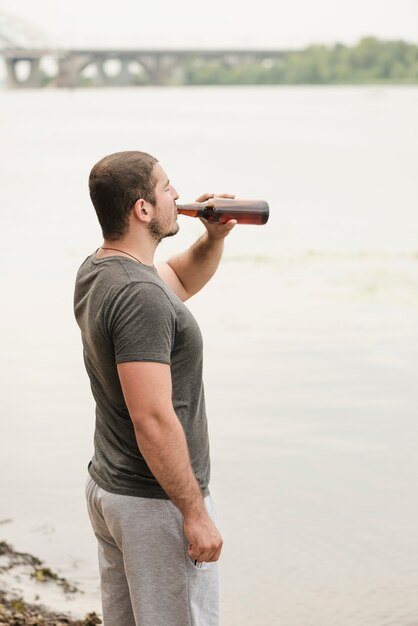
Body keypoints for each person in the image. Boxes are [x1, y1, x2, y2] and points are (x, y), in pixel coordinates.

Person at [74, 150, 237, 626]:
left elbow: (180, 278)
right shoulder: (138, 296)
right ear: (142, 210)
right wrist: (194, 513)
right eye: (167, 187)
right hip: (154, 501)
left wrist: (214, 236)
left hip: (114, 489)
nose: (179, 196)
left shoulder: (101, 269)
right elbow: (152, 417)